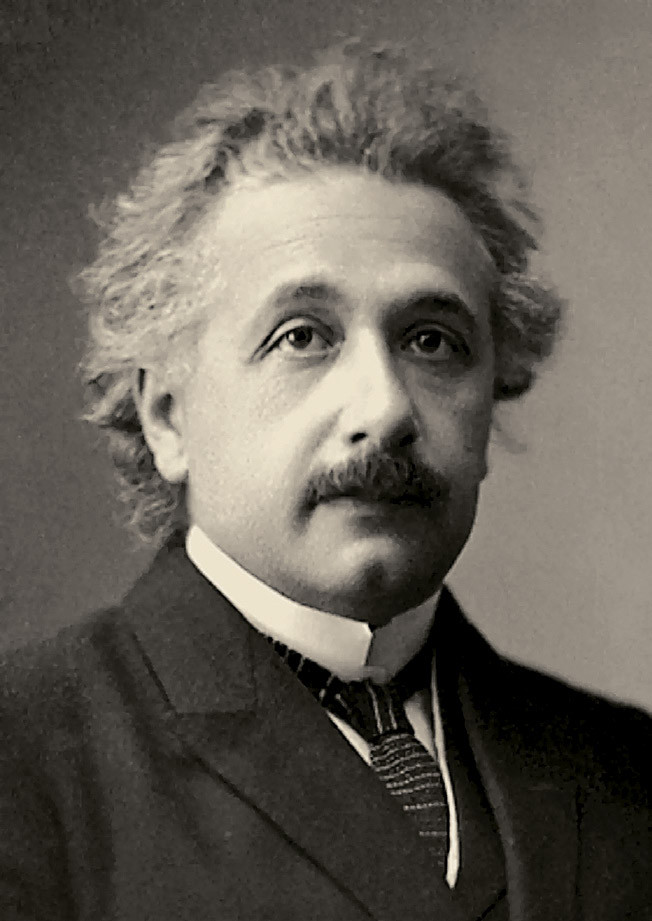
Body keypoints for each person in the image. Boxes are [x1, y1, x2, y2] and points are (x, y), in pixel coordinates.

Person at [0, 40, 649, 921]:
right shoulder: (25, 759)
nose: (385, 407)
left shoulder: (626, 771)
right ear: (167, 416)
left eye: (432, 341)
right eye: (302, 336)